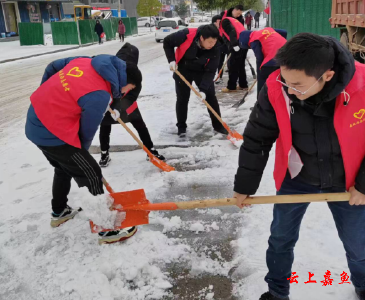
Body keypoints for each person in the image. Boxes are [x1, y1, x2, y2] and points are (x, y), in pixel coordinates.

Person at [233, 33, 365, 300]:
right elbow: (258, 138)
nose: (289, 90)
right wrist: (244, 186)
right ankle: (277, 292)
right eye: (285, 80)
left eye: (297, 85)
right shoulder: (276, 88)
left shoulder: (362, 86)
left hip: (349, 181)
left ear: (327, 76)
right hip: (298, 176)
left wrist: (363, 185)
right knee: (280, 239)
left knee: (358, 245)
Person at [25, 54, 142, 244]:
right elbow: (86, 133)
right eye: (129, 88)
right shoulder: (100, 95)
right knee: (91, 173)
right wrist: (82, 155)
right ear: (124, 80)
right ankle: (107, 227)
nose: (125, 93)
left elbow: (52, 66)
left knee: (64, 167)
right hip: (51, 133)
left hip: (34, 120)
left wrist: (47, 95)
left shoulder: (85, 61)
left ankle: (60, 211)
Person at [99, 43, 165, 167]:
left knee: (139, 124)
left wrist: (120, 107)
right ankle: (104, 153)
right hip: (109, 101)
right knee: (105, 125)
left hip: (128, 102)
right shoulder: (110, 70)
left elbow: (133, 93)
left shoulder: (134, 73)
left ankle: (150, 150)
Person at [163, 24, 228, 137]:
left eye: (214, 42)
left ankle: (218, 125)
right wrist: (171, 60)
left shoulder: (216, 47)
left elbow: (211, 71)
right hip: (183, 67)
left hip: (202, 70)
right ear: (202, 38)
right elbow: (167, 41)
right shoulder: (186, 34)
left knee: (210, 96)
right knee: (182, 98)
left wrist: (203, 89)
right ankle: (181, 127)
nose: (212, 45)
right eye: (210, 42)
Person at [239, 27, 287, 98]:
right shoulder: (266, 30)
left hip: (274, 59)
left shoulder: (253, 40)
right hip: (287, 56)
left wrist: (259, 73)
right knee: (280, 81)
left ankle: (260, 103)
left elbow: (259, 58)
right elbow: (283, 31)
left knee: (263, 80)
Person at [219, 5, 248, 93]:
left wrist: (235, 45)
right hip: (243, 44)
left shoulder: (226, 21)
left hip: (237, 45)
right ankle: (243, 85)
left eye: (240, 14)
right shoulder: (232, 20)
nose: (239, 15)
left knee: (233, 66)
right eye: (238, 13)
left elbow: (232, 32)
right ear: (234, 10)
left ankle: (231, 87)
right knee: (240, 65)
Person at [212, 14, 228, 85]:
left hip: (226, 47)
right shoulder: (211, 29)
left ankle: (232, 78)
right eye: (220, 21)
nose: (221, 23)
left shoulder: (224, 27)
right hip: (218, 49)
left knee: (229, 63)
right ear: (215, 22)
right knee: (219, 63)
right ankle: (218, 77)